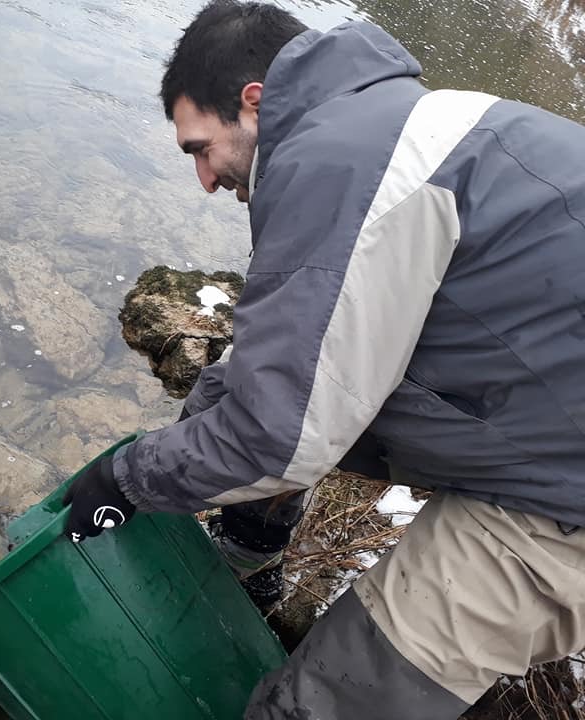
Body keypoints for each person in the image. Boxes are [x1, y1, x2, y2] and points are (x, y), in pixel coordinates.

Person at [62, 0, 585, 718]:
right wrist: (196, 438)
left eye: (199, 149)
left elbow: (280, 434)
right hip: (547, 409)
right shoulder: (391, 124)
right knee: (261, 399)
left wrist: (126, 478)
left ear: (254, 102)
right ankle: (247, 563)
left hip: (563, 496)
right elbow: (289, 368)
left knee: (323, 701)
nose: (205, 180)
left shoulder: (339, 163)